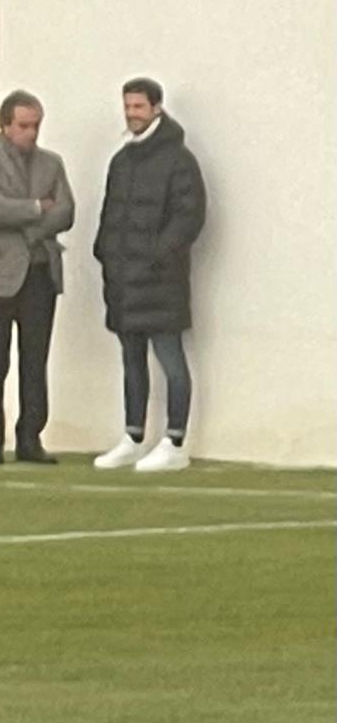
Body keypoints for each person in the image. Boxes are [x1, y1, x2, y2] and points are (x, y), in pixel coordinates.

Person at [92, 78, 207, 472]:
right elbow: (109, 215)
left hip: (161, 281)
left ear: (156, 108)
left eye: (139, 106)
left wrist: (158, 257)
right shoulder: (121, 161)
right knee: (131, 360)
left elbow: (189, 216)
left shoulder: (179, 160)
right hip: (123, 282)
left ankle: (175, 441)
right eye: (127, 106)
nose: (132, 114)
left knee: (171, 358)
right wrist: (105, 254)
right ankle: (133, 436)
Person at [0, 90, 76, 464]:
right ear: (6, 125)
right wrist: (36, 208)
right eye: (24, 126)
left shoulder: (51, 163)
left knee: (35, 361)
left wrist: (31, 227)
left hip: (39, 271)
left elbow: (66, 212)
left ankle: (30, 438)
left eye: (36, 126)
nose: (32, 133)